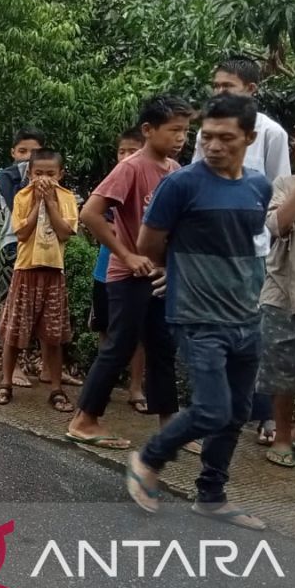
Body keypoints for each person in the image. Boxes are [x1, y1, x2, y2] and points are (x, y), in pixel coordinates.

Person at [126, 95, 273, 530]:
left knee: (235, 412)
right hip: (197, 316)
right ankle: (148, 459)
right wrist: (183, 268)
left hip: (248, 317)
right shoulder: (182, 184)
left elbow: (248, 245)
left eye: (226, 138)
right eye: (206, 136)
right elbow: (147, 245)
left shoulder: (258, 186)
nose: (213, 146)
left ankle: (211, 495)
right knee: (211, 409)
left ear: (248, 138)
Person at [66, 96, 191, 448]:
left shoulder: (175, 170)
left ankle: (170, 424)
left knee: (162, 346)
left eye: (185, 130)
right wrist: (127, 254)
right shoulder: (132, 167)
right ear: (148, 130)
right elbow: (90, 213)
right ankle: (84, 419)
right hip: (127, 275)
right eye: (174, 130)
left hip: (158, 274)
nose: (181, 137)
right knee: (119, 345)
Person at [193, 55, 291, 447]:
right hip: (210, 250)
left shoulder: (270, 133)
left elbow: (277, 188)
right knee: (210, 333)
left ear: (251, 90)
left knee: (253, 334)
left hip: (254, 251)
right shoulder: (207, 132)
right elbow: (196, 183)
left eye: (227, 87)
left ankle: (263, 414)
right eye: (215, 86)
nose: (219, 93)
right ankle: (206, 413)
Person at [0, 149, 80, 412]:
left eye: (51, 174)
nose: (44, 179)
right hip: (25, 271)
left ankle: (56, 388)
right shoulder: (22, 197)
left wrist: (50, 203)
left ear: (60, 174)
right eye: (38, 173)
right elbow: (21, 233)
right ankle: (6, 382)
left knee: (53, 336)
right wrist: (38, 203)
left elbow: (65, 233)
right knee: (14, 332)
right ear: (29, 174)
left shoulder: (66, 198)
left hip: (53, 272)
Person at [256, 123, 295, 468]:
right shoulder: (285, 184)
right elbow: (277, 226)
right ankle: (283, 436)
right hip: (284, 291)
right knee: (283, 370)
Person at [88, 129, 148, 413]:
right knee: (106, 328)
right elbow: (92, 218)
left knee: (137, 333)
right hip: (106, 269)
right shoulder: (111, 185)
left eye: (132, 151)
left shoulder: (146, 181)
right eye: (121, 151)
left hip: (137, 270)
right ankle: (104, 385)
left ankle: (136, 387)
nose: (125, 157)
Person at [0, 127, 45, 388]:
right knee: (12, 307)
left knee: (45, 308)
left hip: (46, 248)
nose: (28, 157)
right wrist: (33, 184)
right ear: (13, 152)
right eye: (23, 151)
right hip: (14, 245)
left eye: (34, 152)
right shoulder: (9, 176)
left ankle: (48, 368)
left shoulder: (48, 175)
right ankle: (12, 368)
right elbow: (19, 211)